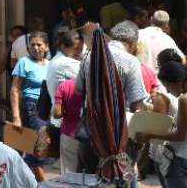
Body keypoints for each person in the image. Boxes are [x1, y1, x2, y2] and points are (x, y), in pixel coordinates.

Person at [77, 21, 150, 174]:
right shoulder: (131, 61)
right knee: (122, 181)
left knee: (92, 181)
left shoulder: (88, 56)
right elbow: (137, 104)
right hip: (119, 136)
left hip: (91, 131)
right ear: (133, 42)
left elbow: (79, 90)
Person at [136, 61, 187, 188]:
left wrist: (151, 135)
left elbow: (180, 135)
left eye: (168, 86)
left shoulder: (185, 99)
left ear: (178, 81)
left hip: (182, 159)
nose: (168, 90)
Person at [10, 31, 51, 182]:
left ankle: (32, 183)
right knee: (38, 147)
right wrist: (16, 117)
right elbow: (14, 90)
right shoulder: (23, 63)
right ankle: (45, 186)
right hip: (31, 107)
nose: (35, 48)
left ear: (46, 47)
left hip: (48, 108)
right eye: (32, 44)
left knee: (44, 147)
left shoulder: (51, 64)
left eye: (39, 44)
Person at [46, 29, 84, 125]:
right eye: (76, 49)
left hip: (61, 118)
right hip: (65, 121)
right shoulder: (66, 63)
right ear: (63, 47)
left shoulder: (57, 58)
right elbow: (89, 75)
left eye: (81, 48)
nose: (79, 52)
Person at [53, 77, 83, 175]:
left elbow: (57, 113)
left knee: (68, 175)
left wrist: (68, 111)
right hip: (91, 136)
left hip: (69, 134)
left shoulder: (64, 85)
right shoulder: (93, 85)